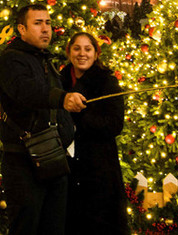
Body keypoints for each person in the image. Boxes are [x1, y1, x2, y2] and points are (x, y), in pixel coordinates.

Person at [0, 4, 85, 235]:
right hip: (24, 161)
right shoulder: (11, 61)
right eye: (37, 23)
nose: (45, 29)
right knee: (27, 226)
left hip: (53, 159)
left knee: (54, 227)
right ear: (21, 29)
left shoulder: (44, 60)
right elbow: (26, 91)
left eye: (48, 23)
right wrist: (62, 98)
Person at [60, 31, 129, 234]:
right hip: (66, 167)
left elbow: (115, 124)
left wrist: (81, 115)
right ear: (69, 52)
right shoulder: (59, 82)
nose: (82, 54)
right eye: (77, 48)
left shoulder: (107, 82)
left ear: (96, 53)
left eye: (87, 49)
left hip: (99, 167)